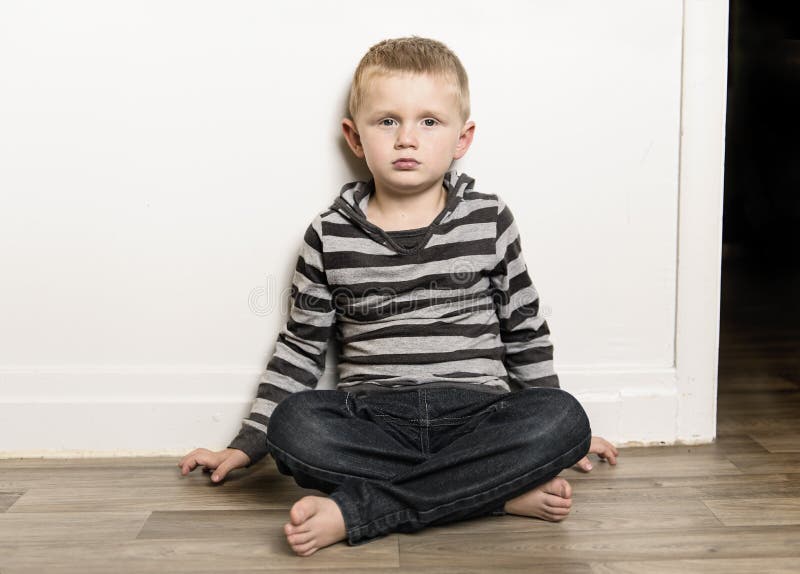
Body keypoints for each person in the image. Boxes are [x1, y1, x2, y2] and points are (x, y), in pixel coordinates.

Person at [178, 36, 619, 557]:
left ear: (462, 137)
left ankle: (363, 510)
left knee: (563, 417)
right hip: (374, 419)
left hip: (479, 414)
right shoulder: (330, 234)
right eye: (387, 121)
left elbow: (523, 330)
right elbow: (301, 347)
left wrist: (562, 439)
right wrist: (247, 444)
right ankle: (493, 492)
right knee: (293, 426)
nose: (407, 138)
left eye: (429, 121)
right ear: (355, 137)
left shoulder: (489, 219)